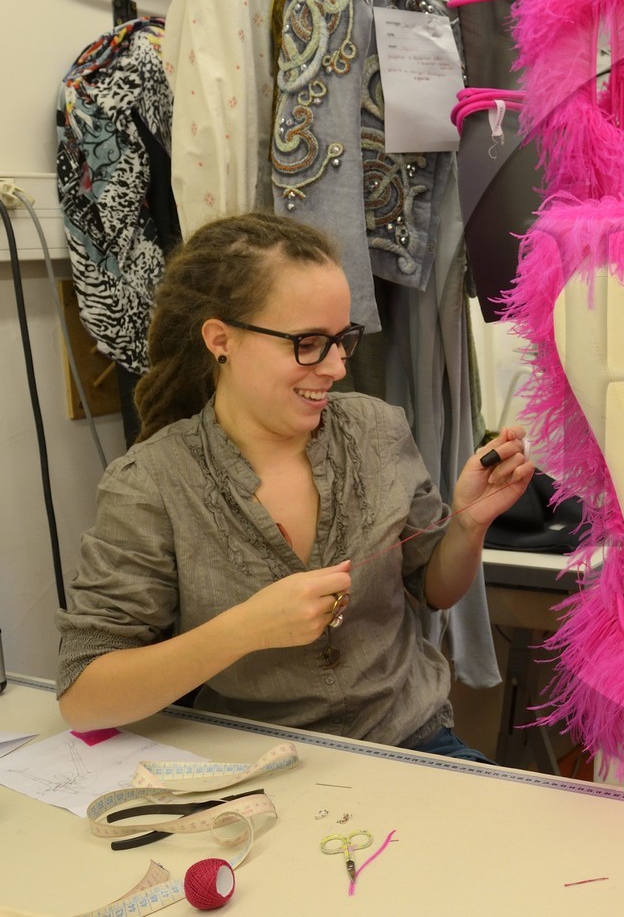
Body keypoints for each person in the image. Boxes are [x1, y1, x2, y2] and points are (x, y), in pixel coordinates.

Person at [55, 215, 534, 760]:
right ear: (221, 341)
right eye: (308, 343)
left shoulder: (378, 430)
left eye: (341, 340)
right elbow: (83, 696)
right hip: (254, 767)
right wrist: (244, 629)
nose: (335, 366)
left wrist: (468, 522)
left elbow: (434, 586)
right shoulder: (151, 484)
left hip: (414, 747)